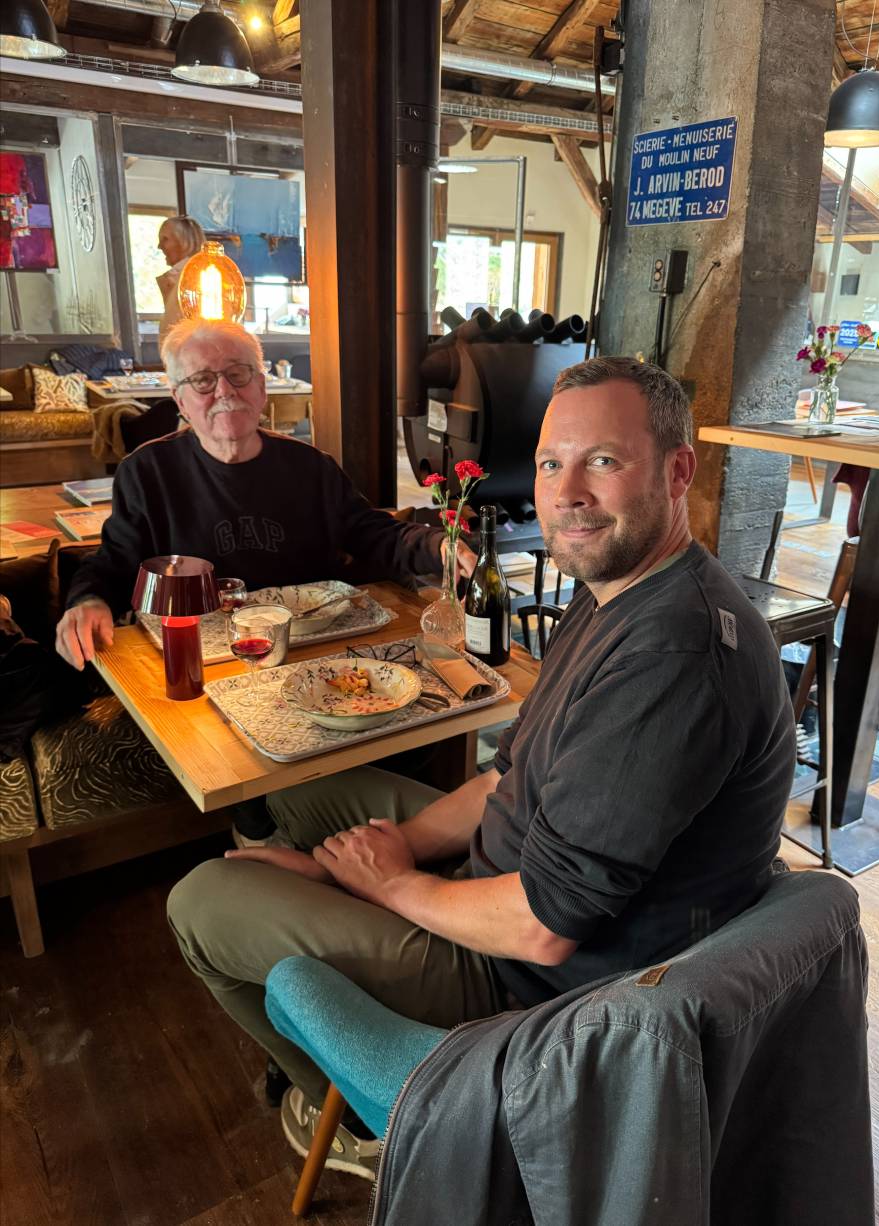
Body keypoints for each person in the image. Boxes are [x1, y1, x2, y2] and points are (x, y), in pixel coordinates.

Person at [167, 356, 796, 1179]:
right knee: (313, 783)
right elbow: (507, 778)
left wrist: (385, 882)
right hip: (499, 885)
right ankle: (328, 920)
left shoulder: (672, 654)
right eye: (549, 463)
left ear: (679, 471)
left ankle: (365, 1116)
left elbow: (543, 926)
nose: (566, 491)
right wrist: (372, 858)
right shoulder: (617, 590)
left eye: (602, 461)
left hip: (531, 989)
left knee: (200, 902)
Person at [55, 318, 468, 840]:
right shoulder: (148, 472)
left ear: (263, 387)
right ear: (179, 399)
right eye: (203, 381)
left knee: (423, 716)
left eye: (239, 374)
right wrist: (87, 598)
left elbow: (372, 533)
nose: (224, 391)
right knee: (249, 766)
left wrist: (438, 544)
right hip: (214, 665)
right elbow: (115, 562)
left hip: (320, 653)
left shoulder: (312, 467)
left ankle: (391, 844)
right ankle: (265, 844)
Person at [156, 216, 205, 346]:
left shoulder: (193, 278)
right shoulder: (177, 277)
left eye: (165, 239)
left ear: (185, 242)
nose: (159, 246)